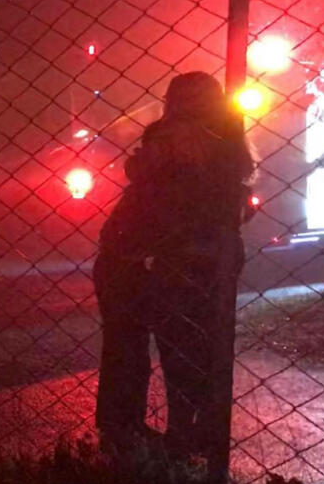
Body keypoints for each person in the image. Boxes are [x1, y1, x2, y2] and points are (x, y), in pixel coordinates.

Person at [93, 71, 255, 456]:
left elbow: (162, 190)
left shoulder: (188, 144)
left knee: (155, 343)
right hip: (153, 254)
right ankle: (170, 430)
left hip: (156, 254)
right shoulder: (212, 145)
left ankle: (141, 429)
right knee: (180, 344)